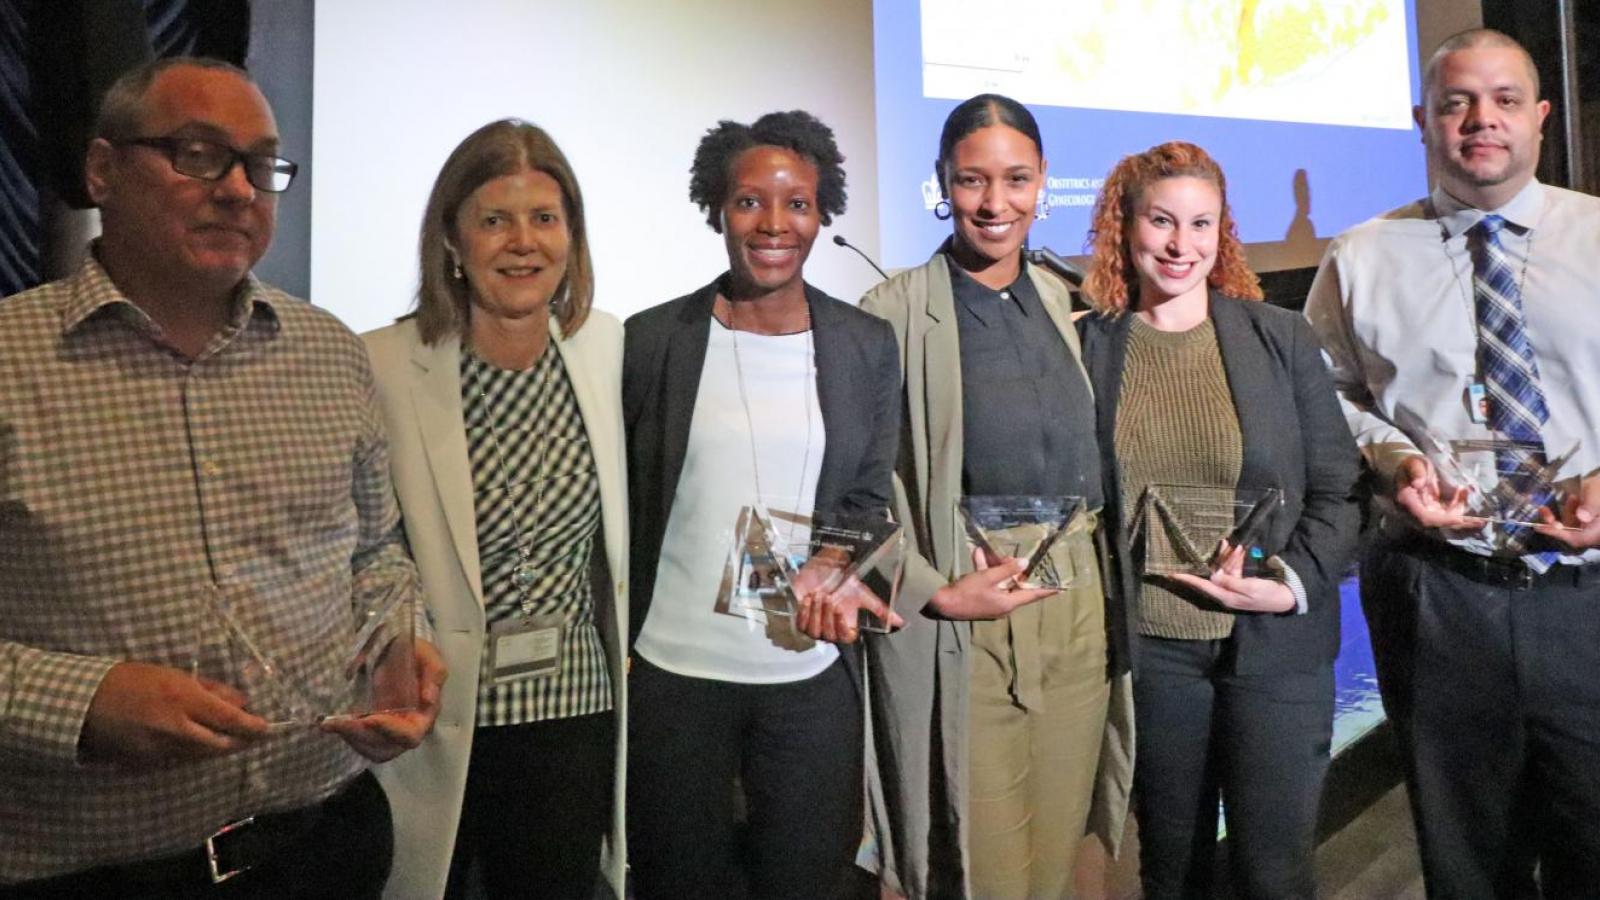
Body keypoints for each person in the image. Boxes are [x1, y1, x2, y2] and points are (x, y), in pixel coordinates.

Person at [0, 57, 444, 899]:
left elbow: (376, 552)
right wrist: (85, 701)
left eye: (261, 165)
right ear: (103, 170)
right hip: (94, 872)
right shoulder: (10, 363)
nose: (239, 190)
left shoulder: (329, 353)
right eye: (199, 154)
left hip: (324, 841)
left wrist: (399, 643)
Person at [1305, 28, 1600, 898]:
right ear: (1422, 120)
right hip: (1440, 595)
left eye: (1504, 100)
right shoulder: (1360, 257)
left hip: (1589, 596)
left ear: (1540, 116)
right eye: (1457, 102)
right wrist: (1394, 461)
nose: (1482, 120)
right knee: (1468, 861)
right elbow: (1324, 394)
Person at [858, 93, 1134, 900]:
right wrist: (934, 591)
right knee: (987, 873)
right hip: (973, 612)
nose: (994, 202)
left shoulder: (1062, 297)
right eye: (972, 179)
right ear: (942, 181)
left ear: (1043, 181)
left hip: (1078, 604)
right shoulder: (893, 313)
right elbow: (853, 490)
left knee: (1055, 865)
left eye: (1016, 179)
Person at [622, 110, 901, 899]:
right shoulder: (652, 341)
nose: (774, 224)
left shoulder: (865, 344)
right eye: (749, 202)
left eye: (798, 204)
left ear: (821, 213)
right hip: (676, 677)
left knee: (807, 880)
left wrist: (834, 561)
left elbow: (867, 492)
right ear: (717, 209)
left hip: (809, 675)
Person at [1077, 141, 1361, 899]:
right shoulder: (1088, 345)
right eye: (1161, 221)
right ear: (1124, 225)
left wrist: (1288, 582)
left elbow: (1341, 489)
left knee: (1275, 875)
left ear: (1221, 231)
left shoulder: (1280, 337)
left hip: (1274, 648)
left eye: (1200, 224)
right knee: (1174, 872)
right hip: (1153, 654)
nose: (1181, 245)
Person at [364, 120, 627, 900]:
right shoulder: (381, 362)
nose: (523, 243)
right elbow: (361, 543)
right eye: (494, 220)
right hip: (437, 714)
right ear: (451, 238)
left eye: (544, 218)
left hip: (573, 711)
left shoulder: (606, 348)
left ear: (572, 237)